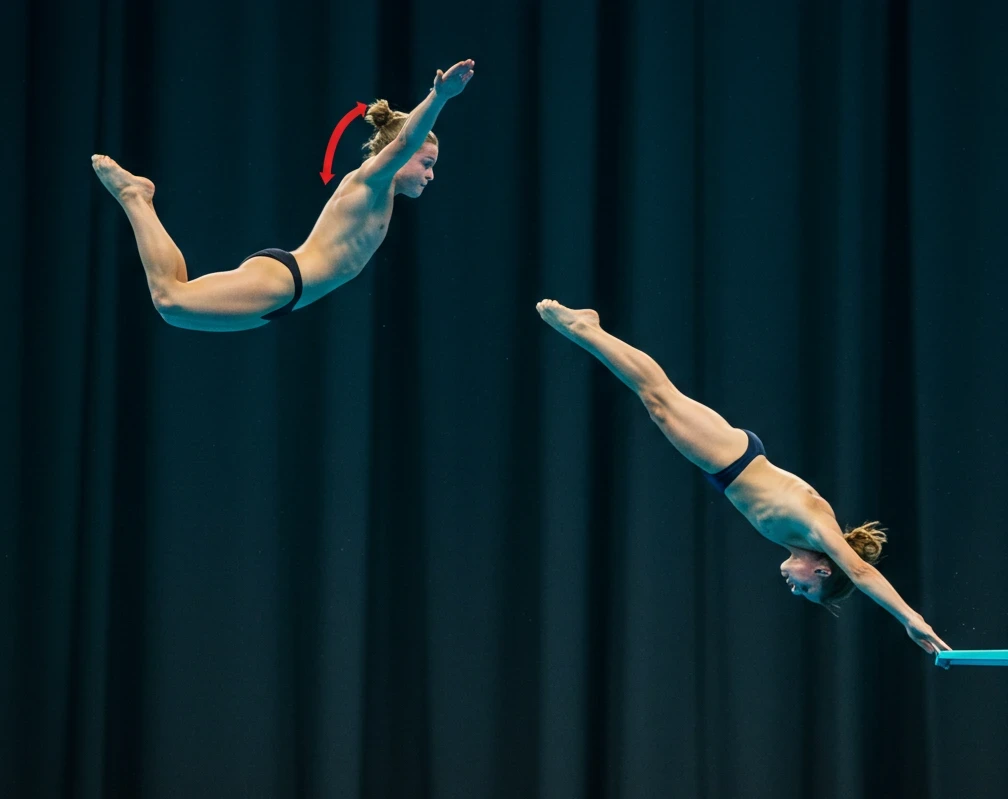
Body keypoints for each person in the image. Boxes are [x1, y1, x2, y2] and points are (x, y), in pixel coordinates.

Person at [535, 299, 950, 655]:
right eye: (806, 589)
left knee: (658, 397)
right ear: (823, 571)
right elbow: (860, 573)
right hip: (733, 460)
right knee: (657, 395)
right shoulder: (820, 532)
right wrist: (910, 618)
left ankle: (589, 330)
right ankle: (585, 328)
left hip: (731, 465)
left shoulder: (799, 540)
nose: (794, 589)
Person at [90, 59, 476, 332]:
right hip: (283, 280)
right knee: (169, 298)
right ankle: (135, 196)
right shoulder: (371, 180)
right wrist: (439, 96)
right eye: (426, 163)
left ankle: (138, 198)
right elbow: (406, 140)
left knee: (172, 309)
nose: (430, 174)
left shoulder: (382, 195)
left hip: (286, 299)